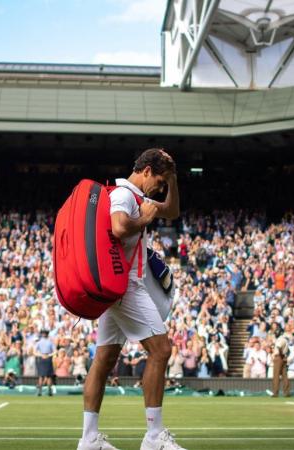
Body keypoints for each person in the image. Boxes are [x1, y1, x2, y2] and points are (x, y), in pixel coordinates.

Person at [79, 149, 182, 450]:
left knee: (104, 361)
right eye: (161, 181)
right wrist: (145, 219)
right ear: (147, 171)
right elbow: (119, 227)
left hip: (118, 288)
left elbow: (172, 211)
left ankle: (88, 439)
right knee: (161, 350)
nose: (161, 188)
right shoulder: (125, 194)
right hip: (126, 287)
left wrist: (173, 180)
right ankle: (153, 437)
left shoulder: (139, 197)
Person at [35, 330, 55, 397]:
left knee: (43, 376)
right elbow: (55, 352)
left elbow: (34, 352)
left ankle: (41, 392)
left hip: (43, 358)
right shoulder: (49, 342)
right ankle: (47, 391)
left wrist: (41, 355)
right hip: (46, 358)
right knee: (47, 376)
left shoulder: (40, 342)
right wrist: (47, 355)